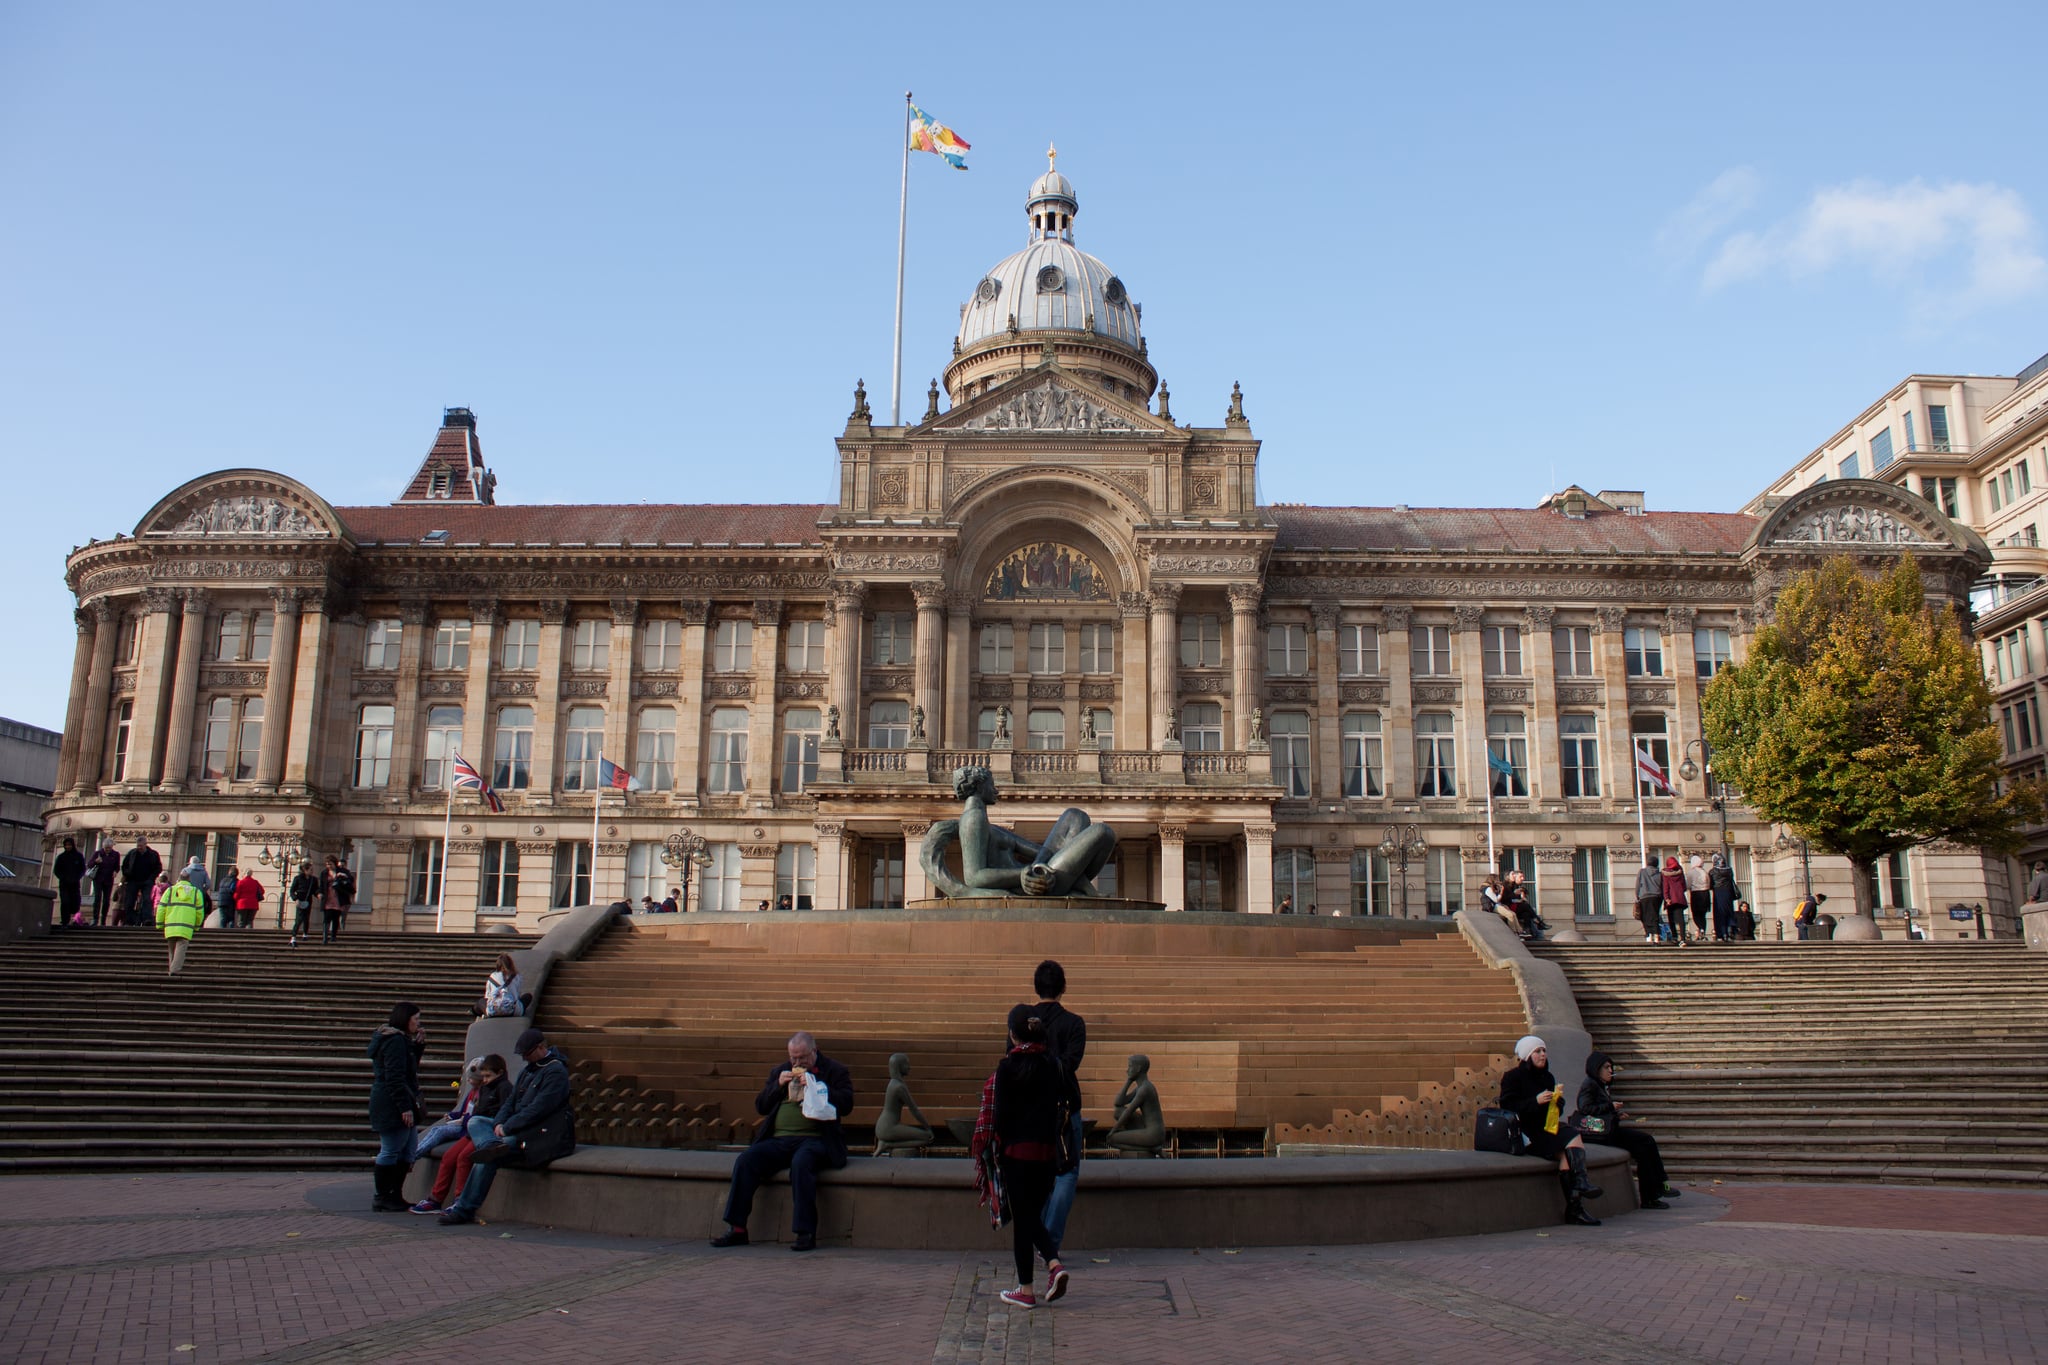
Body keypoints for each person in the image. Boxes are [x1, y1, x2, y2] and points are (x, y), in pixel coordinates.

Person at [710, 1031, 854, 1251]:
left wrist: (818, 1086)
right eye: (793, 1058)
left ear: (814, 1052)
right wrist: (776, 1086)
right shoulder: (780, 1071)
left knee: (801, 1163)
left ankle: (805, 1233)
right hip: (779, 1140)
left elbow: (846, 1105)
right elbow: (761, 1106)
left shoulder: (835, 1071)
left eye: (802, 1058)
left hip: (815, 1140)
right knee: (746, 1161)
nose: (797, 1062)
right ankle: (737, 1229)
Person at [973, 1004, 1072, 1310]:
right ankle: (1052, 1267)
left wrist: (995, 1150)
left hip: (1016, 1154)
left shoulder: (1007, 1067)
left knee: (1023, 1221)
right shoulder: (1052, 1065)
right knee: (1029, 1218)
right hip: (1046, 1155)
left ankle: (1027, 1288)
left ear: (1013, 1035)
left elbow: (1000, 1116)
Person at [439, 1028, 575, 1225]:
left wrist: (508, 1127)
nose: (525, 1059)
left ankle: (464, 1209)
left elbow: (539, 1109)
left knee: (487, 1158)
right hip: (515, 1129)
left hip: (537, 1135)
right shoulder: (528, 1070)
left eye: (527, 1054)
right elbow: (510, 1102)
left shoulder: (556, 1071)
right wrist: (499, 1123)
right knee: (476, 1122)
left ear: (541, 1048)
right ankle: (492, 1145)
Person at [1498, 1036, 1602, 1226]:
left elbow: (1552, 1113)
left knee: (1565, 1155)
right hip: (1526, 1132)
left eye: (1544, 1051)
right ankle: (1581, 1183)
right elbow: (1507, 1105)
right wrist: (1534, 1101)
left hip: (1546, 1128)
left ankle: (1575, 1208)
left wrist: (1557, 1104)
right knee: (1572, 1135)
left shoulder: (1548, 1077)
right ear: (1527, 1055)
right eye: (1537, 1051)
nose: (1543, 1055)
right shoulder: (1513, 1077)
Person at [411, 1054, 512, 1215]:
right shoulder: (484, 1089)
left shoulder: (505, 1088)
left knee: (464, 1158)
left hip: (486, 1130)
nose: (484, 1080)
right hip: (472, 1130)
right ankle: (435, 1199)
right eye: (483, 1076)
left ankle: (460, 1199)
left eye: (488, 1076)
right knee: (449, 1156)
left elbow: (504, 1110)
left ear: (499, 1073)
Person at [1576, 1051, 1675, 1210]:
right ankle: (1656, 1189)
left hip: (1608, 1132)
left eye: (1611, 1067)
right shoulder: (1590, 1084)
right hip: (1600, 1136)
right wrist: (1610, 1106)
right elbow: (1584, 1108)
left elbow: (1600, 1112)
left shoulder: (1601, 1085)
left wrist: (1615, 1115)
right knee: (1645, 1141)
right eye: (1607, 1067)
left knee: (1645, 1146)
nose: (1610, 1071)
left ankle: (1654, 1192)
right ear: (1596, 1068)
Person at [1031, 960, 1087, 1248]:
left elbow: (1011, 1060)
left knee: (1037, 1171)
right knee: (1066, 1171)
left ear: (1036, 987)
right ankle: (1048, 1242)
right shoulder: (1073, 1024)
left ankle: (1041, 1238)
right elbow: (1071, 1064)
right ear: (1063, 988)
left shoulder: (1023, 1022)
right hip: (1065, 1105)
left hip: (1032, 1108)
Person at [368, 1001, 427, 1211]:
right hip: (391, 1103)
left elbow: (408, 1070)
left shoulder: (400, 1040)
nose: (418, 1023)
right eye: (416, 1019)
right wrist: (405, 1107)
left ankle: (394, 1194)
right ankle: (383, 1196)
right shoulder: (394, 1041)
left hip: (396, 1100)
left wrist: (417, 1047)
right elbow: (395, 1077)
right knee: (391, 1149)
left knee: (408, 1150)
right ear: (405, 1019)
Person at [155, 870, 206, 975]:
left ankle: (172, 968)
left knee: (171, 948)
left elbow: (161, 908)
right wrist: (197, 925)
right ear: (189, 879)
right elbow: (199, 911)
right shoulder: (196, 892)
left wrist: (159, 923)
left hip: (170, 925)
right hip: (186, 926)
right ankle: (174, 970)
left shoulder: (170, 891)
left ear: (179, 878)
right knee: (181, 947)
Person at [120, 836, 162, 928]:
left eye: (141, 846)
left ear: (145, 845)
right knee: (130, 900)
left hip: (147, 881)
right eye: (138, 846)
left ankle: (147, 919)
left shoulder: (153, 854)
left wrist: (151, 878)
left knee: (147, 900)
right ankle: (129, 920)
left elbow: (158, 867)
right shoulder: (132, 853)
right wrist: (127, 874)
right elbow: (124, 866)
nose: (139, 848)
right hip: (133, 880)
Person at [477, 953, 525, 1018]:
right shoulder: (517, 976)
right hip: (512, 1011)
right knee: (527, 997)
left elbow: (488, 996)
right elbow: (518, 994)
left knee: (480, 1001)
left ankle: (474, 1012)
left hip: (493, 1011)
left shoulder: (492, 976)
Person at [320, 855, 355, 943]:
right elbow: (321, 886)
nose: (328, 866)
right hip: (328, 897)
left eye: (330, 864)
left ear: (335, 864)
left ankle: (333, 936)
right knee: (326, 918)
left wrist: (344, 876)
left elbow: (351, 880)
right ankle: (325, 937)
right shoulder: (324, 873)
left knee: (335, 918)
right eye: (327, 864)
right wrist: (319, 893)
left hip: (338, 897)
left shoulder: (342, 871)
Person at [88, 838, 121, 926]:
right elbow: (89, 864)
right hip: (98, 879)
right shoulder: (98, 853)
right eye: (106, 848)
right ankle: (95, 918)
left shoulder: (115, 855)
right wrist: (96, 861)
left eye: (109, 848)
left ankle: (103, 919)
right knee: (97, 898)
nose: (108, 849)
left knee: (106, 900)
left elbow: (117, 866)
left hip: (108, 880)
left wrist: (115, 871)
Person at [53, 837, 86, 925]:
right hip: (64, 884)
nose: (68, 847)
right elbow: (56, 870)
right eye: (66, 845)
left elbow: (82, 869)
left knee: (75, 903)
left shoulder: (78, 856)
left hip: (74, 884)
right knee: (65, 902)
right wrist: (63, 877)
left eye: (69, 845)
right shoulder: (61, 857)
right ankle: (65, 920)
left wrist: (77, 877)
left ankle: (74, 917)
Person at [288, 860, 320, 945]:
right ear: (305, 870)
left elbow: (315, 890)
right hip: (300, 900)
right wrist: (295, 899)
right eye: (310, 870)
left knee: (306, 918)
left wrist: (318, 894)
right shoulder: (298, 878)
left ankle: (305, 934)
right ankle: (293, 937)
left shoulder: (313, 880)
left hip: (308, 900)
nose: (312, 871)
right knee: (299, 919)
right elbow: (292, 891)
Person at [1709, 853, 1738, 942]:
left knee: (1719, 913)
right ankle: (1729, 932)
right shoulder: (1729, 871)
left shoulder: (1713, 871)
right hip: (1728, 893)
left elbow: (1710, 884)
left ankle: (1721, 933)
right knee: (1729, 912)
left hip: (1718, 892)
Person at [1633, 859, 1663, 943]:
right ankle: (1656, 935)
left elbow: (1638, 884)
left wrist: (1637, 896)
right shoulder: (1659, 874)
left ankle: (1649, 933)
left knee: (1645, 916)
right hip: (1656, 896)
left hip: (1644, 896)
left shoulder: (1642, 872)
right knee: (1655, 916)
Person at [1659, 856, 1688, 944]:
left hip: (1671, 898)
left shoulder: (1665, 874)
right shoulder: (1680, 872)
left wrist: (1666, 897)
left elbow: (1665, 887)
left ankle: (1674, 936)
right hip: (1679, 897)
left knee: (1671, 918)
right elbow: (1684, 886)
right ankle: (1683, 937)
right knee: (1681, 919)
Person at [1685, 855, 1712, 940]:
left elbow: (1687, 885)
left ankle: (1700, 928)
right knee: (1703, 915)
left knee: (1696, 914)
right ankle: (1702, 930)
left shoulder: (1691, 872)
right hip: (1706, 894)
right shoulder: (1705, 872)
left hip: (1696, 894)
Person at [212, 864, 240, 931]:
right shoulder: (235, 881)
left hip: (221, 901)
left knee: (223, 919)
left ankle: (221, 933)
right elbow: (233, 890)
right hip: (230, 901)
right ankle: (230, 934)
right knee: (231, 919)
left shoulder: (223, 880)